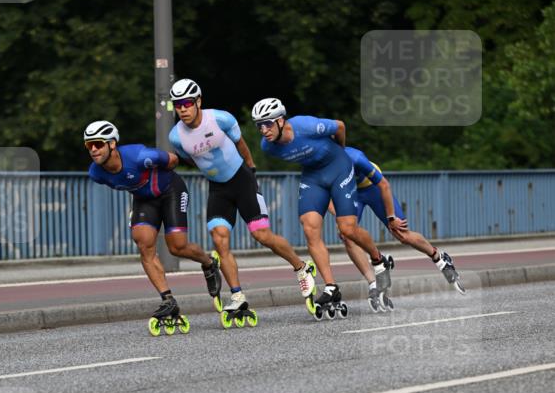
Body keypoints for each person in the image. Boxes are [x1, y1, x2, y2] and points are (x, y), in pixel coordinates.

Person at [167, 79, 315, 318]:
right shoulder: (176, 136)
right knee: (219, 239)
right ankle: (237, 296)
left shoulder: (221, 119)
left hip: (242, 180)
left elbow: (241, 145)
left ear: (198, 102)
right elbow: (190, 158)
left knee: (261, 235)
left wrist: (252, 171)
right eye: (177, 105)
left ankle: (301, 266)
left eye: (187, 103)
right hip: (218, 188)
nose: (182, 109)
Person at [251, 98, 395, 314]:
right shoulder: (268, 147)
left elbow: (340, 126)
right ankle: (331, 286)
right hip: (313, 176)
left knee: (347, 229)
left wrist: (341, 151)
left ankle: (378, 259)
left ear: (281, 121)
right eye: (259, 125)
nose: (264, 130)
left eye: (268, 123)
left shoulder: (305, 126)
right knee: (309, 227)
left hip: (338, 167)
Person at [84, 119, 221, 328]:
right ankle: (168, 300)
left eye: (98, 144)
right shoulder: (96, 173)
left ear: (112, 144)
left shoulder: (140, 156)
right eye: (89, 145)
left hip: (170, 191)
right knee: (143, 244)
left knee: (177, 247)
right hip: (144, 200)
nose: (93, 149)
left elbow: (173, 160)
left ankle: (209, 263)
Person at [334, 146, 465, 297]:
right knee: (346, 235)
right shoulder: (323, 164)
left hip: (373, 187)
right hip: (352, 192)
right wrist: (341, 219)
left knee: (401, 233)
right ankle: (373, 283)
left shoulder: (355, 157)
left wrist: (391, 218)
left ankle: (439, 257)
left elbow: (384, 185)